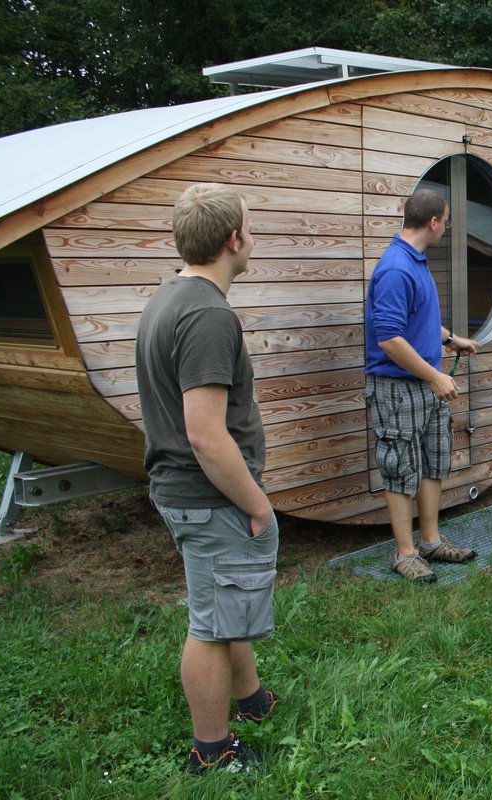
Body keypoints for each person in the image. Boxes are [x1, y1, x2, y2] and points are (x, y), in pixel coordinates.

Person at [136, 183, 278, 774]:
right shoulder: (208, 315)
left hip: (187, 491)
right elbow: (205, 434)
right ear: (233, 239)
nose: (254, 237)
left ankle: (251, 699)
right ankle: (212, 751)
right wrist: (258, 504)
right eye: (251, 226)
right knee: (211, 626)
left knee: (226, 597)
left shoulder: (171, 295)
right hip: (208, 493)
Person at [366, 189, 480, 583]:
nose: (446, 227)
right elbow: (389, 338)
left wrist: (450, 340)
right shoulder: (396, 268)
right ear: (433, 222)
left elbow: (418, 320)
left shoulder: (415, 260)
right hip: (398, 387)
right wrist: (433, 376)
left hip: (426, 386)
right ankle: (405, 554)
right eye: (446, 221)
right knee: (400, 467)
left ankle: (430, 541)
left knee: (433, 460)